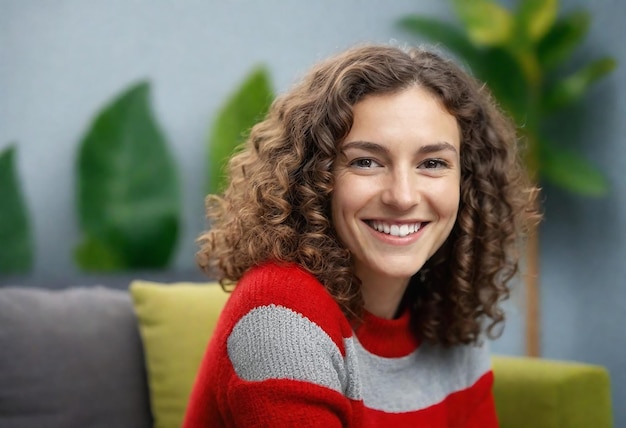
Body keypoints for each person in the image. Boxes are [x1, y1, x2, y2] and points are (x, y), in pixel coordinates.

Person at [183, 44, 539, 427]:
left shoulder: (449, 310)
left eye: (432, 163)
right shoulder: (279, 314)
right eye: (366, 162)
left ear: (467, 183)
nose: (402, 196)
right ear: (317, 178)